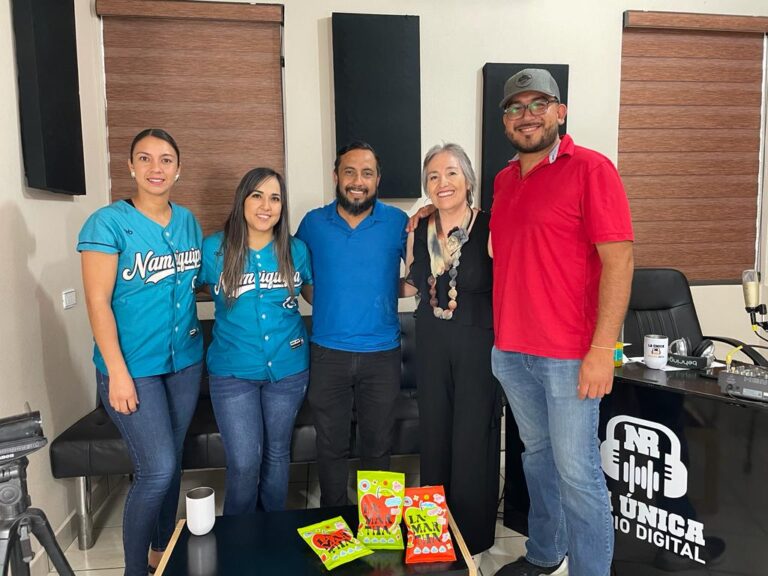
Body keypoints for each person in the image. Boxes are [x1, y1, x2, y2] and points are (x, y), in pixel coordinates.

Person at [491, 69, 634, 576]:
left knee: (578, 475)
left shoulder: (592, 169)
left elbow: (619, 261)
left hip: (571, 357)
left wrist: (602, 350)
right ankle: (544, 554)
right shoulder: (505, 180)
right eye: (515, 107)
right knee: (537, 460)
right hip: (511, 353)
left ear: (560, 111)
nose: (526, 115)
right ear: (504, 119)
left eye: (538, 104)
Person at [78, 128, 203, 576]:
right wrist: (117, 373)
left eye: (166, 159)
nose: (156, 168)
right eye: (145, 159)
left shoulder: (187, 221)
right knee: (157, 469)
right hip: (133, 368)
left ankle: (160, 552)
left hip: (185, 363)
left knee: (172, 462)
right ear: (130, 166)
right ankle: (135, 570)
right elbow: (97, 303)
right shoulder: (106, 223)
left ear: (178, 169)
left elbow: (195, 285)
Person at [296, 141, 408, 507]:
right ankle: (335, 517)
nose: (357, 181)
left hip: (383, 355)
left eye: (367, 173)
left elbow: (421, 272)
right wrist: (328, 299)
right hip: (328, 354)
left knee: (378, 444)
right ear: (336, 176)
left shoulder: (398, 223)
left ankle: (378, 527)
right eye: (349, 172)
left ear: (377, 179)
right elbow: (299, 277)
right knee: (331, 445)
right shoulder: (313, 223)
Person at [403, 143, 501, 555]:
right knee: (436, 432)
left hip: (478, 340)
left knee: (473, 435)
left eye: (451, 174)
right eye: (433, 176)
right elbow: (410, 285)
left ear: (468, 181)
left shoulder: (492, 226)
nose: (442, 183)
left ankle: (472, 536)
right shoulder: (416, 229)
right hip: (430, 339)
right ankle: (432, 534)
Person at [198, 167, 313, 514]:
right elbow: (191, 290)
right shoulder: (214, 249)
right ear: (242, 200)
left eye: (275, 198)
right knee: (245, 462)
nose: (267, 205)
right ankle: (240, 542)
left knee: (278, 455)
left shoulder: (297, 250)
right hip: (233, 373)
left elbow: (315, 295)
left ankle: (271, 535)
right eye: (257, 196)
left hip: (289, 370)